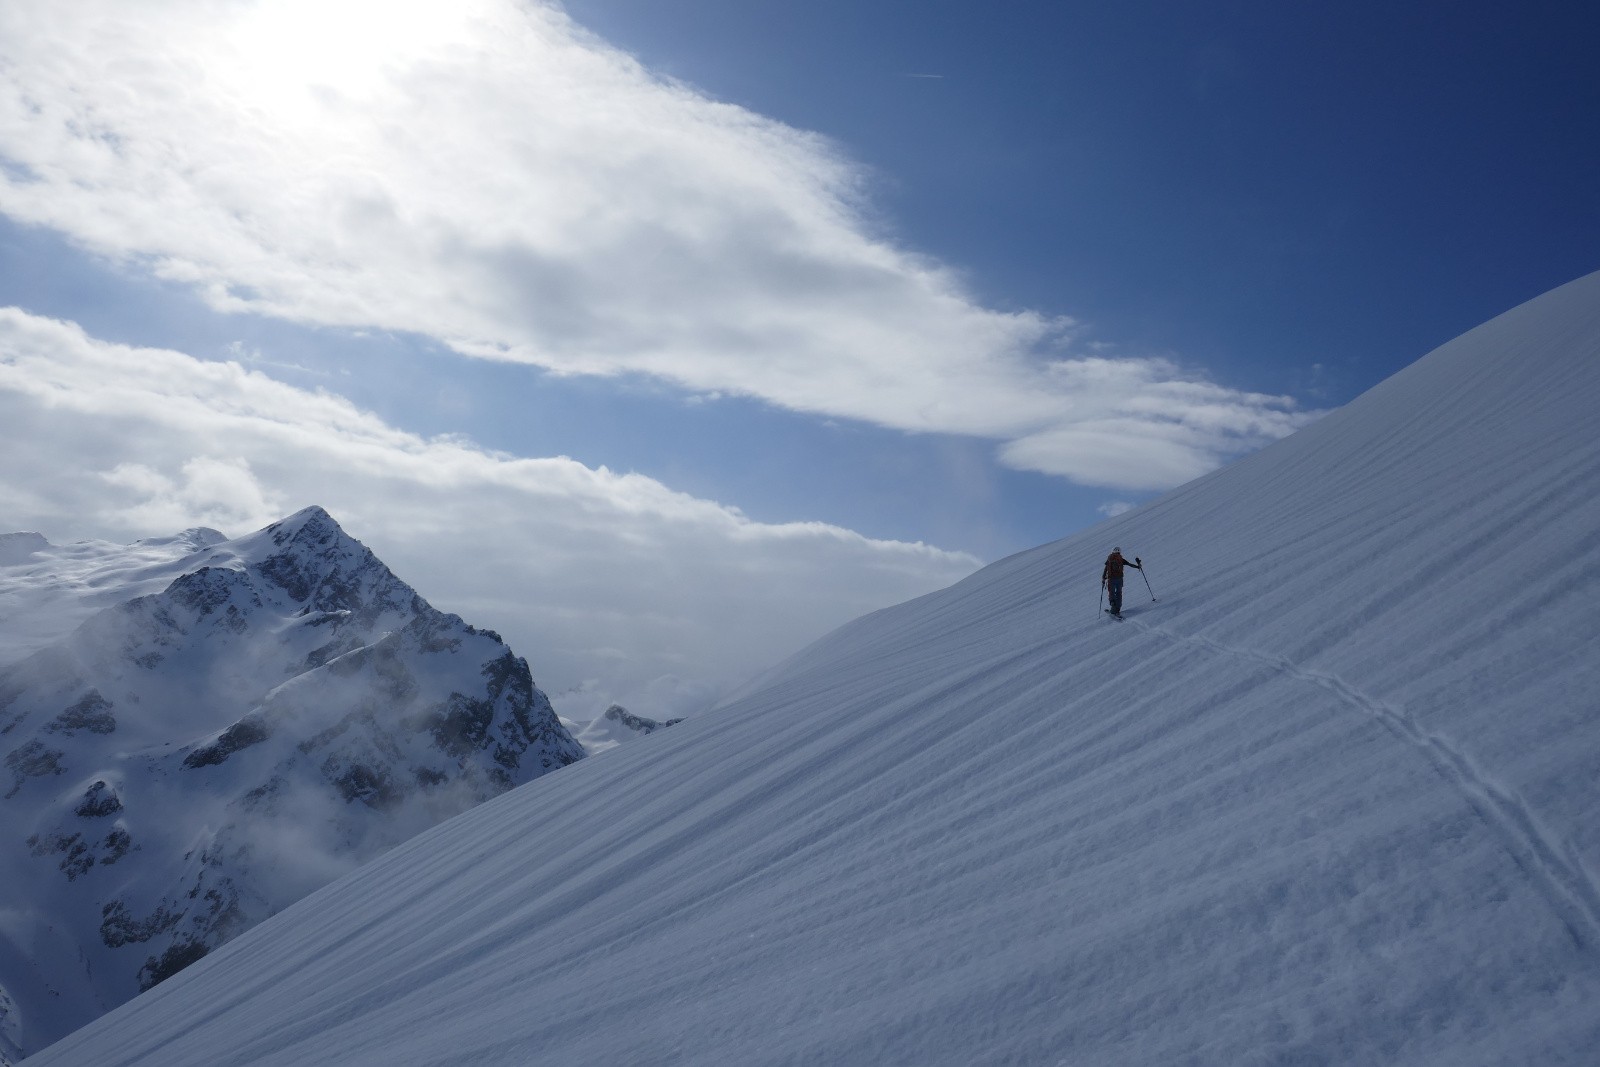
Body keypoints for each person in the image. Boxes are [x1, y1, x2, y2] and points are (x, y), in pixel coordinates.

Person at [1101, 547, 1142, 617]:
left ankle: (1113, 610)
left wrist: (1103, 578)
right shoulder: (1120, 559)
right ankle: (1118, 609)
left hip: (1111, 579)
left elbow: (1105, 570)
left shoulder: (1109, 559)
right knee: (1119, 593)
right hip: (1120, 579)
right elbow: (1129, 564)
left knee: (1111, 593)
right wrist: (1138, 567)